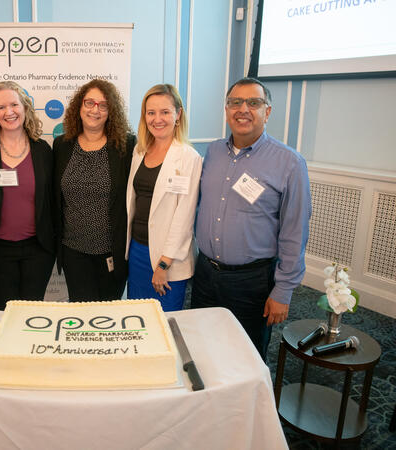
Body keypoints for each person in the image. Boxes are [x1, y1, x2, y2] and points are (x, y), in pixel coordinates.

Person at [191, 77, 312, 359]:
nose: (243, 109)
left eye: (253, 103)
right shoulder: (213, 152)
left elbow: (295, 232)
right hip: (205, 274)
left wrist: (283, 291)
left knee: (245, 356)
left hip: (251, 282)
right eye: (235, 102)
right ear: (226, 109)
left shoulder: (290, 163)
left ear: (267, 111)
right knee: (202, 347)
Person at [0, 81, 55, 310]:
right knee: (0, 313)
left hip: (37, 251)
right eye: (1, 107)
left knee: (31, 313)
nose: (9, 112)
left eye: (14, 105)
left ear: (25, 108)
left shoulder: (42, 150)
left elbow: (52, 200)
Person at [53, 79, 135, 301]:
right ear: (79, 107)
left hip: (112, 253)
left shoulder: (126, 146)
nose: (95, 110)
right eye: (89, 103)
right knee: (81, 314)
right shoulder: (62, 145)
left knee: (108, 316)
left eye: (103, 105)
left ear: (111, 112)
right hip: (73, 251)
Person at [126, 84, 202, 311]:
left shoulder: (189, 157)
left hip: (168, 259)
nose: (157, 119)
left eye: (165, 112)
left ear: (178, 115)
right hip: (138, 250)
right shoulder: (140, 151)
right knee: (137, 318)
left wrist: (164, 264)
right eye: (151, 113)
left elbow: (184, 218)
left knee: (165, 321)